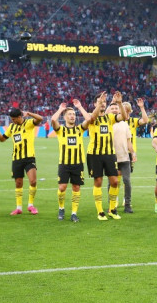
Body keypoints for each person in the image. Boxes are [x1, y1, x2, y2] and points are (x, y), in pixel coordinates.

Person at [51, 95, 104, 223]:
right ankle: (61, 208)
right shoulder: (60, 130)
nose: (72, 116)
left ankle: (74, 213)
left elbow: (90, 119)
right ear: (65, 117)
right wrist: (60, 109)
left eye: (73, 114)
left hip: (78, 164)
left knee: (76, 188)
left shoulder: (80, 129)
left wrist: (79, 107)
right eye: (69, 114)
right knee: (62, 187)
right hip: (64, 163)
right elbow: (53, 120)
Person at [76, 93, 126, 221]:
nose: (103, 103)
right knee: (98, 182)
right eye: (99, 101)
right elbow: (92, 118)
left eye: (104, 102)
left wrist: (120, 103)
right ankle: (100, 212)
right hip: (94, 154)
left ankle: (112, 210)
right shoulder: (91, 116)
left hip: (109, 154)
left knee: (114, 181)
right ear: (95, 104)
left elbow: (124, 117)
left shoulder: (110, 117)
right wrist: (99, 104)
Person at [0, 108, 43, 215]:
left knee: (33, 181)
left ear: (19, 117)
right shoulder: (12, 127)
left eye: (14, 119)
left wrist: (29, 113)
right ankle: (18, 208)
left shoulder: (29, 123)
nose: (13, 121)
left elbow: (40, 118)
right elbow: (2, 139)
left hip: (29, 158)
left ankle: (30, 205)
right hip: (16, 159)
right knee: (18, 183)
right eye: (12, 119)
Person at [113, 108, 136, 213]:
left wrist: (133, 153)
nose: (114, 110)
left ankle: (127, 205)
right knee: (113, 182)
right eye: (113, 108)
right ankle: (112, 204)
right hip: (112, 157)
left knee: (127, 181)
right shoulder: (109, 123)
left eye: (116, 108)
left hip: (125, 157)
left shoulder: (125, 125)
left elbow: (128, 141)